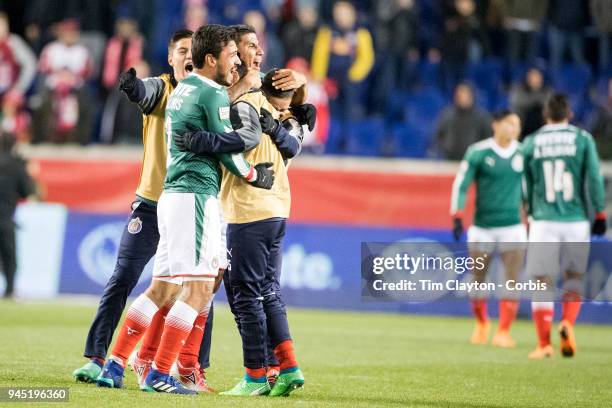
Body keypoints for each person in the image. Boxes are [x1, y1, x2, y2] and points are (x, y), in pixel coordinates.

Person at [95, 24, 274, 395]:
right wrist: (255, 173)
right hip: (194, 196)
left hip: (174, 195)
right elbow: (228, 152)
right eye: (231, 55)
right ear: (211, 59)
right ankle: (161, 371)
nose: (236, 60)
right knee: (199, 289)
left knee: (162, 289)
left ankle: (114, 365)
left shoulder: (185, 89)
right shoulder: (210, 94)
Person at [71, 30, 215, 392]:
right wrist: (133, 88)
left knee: (199, 288)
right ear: (171, 58)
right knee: (124, 277)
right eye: (181, 50)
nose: (187, 56)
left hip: (189, 202)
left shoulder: (209, 93)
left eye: (192, 51)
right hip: (153, 204)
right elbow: (145, 93)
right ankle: (98, 358)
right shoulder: (164, 89)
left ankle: (191, 365)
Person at [522, 94, 607, 359]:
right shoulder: (582, 139)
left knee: (542, 281)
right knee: (573, 278)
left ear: (546, 115)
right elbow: (594, 178)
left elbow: (525, 182)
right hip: (576, 220)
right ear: (569, 114)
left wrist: (530, 209)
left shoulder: (532, 142)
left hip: (544, 220)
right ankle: (568, 323)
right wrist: (600, 212)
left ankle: (544, 343)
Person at [450, 110, 526, 347]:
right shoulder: (479, 152)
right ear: (495, 125)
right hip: (483, 226)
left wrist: (533, 215)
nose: (512, 129)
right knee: (478, 279)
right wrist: (457, 215)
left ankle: (503, 331)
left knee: (512, 280)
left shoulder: (525, 153)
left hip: (512, 226)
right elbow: (461, 184)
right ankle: (482, 323)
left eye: (516, 125)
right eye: (508, 124)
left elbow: (531, 189)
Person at [0, 132, 36, 298]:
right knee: (9, 254)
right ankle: (9, 289)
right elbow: (27, 192)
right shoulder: (17, 165)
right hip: (6, 216)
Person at [435, 82, 492, 160]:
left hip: (473, 160)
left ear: (471, 96)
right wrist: (446, 147)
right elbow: (438, 136)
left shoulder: (481, 117)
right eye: (460, 95)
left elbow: (488, 138)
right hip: (450, 160)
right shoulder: (447, 115)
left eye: (465, 94)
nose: (462, 97)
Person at [509, 67, 552, 138]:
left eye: (537, 77)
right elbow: (518, 103)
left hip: (540, 123)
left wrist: (534, 102)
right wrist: (536, 101)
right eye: (532, 77)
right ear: (527, 78)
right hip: (524, 123)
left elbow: (548, 104)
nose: (535, 80)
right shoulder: (519, 89)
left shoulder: (547, 91)